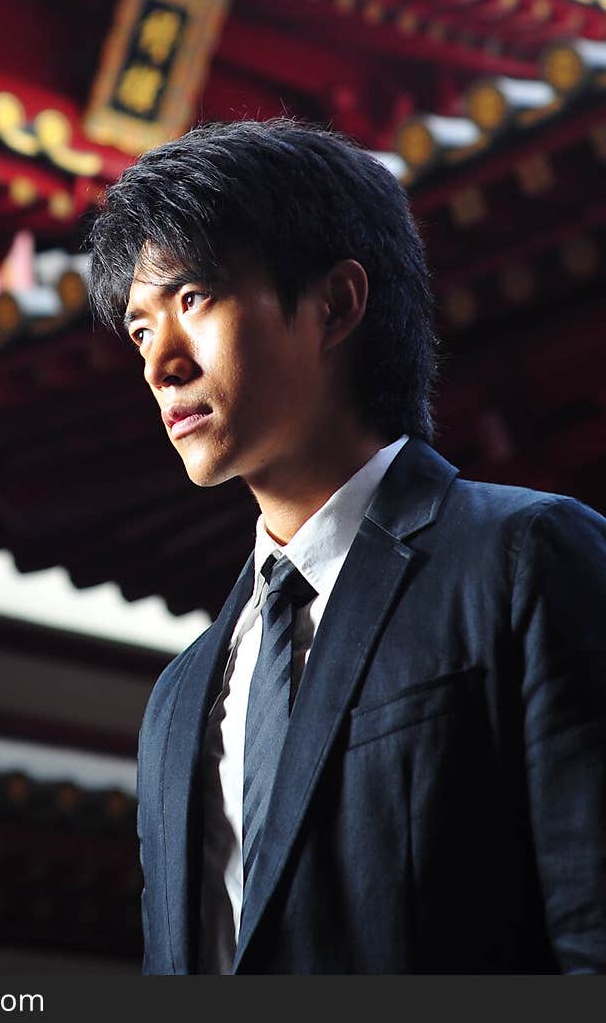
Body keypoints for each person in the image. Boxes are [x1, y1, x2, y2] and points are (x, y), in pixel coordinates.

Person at [85, 117, 606, 975]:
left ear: (334, 304)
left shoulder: (524, 562)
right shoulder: (180, 698)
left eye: (191, 299)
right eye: (140, 328)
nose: (161, 363)